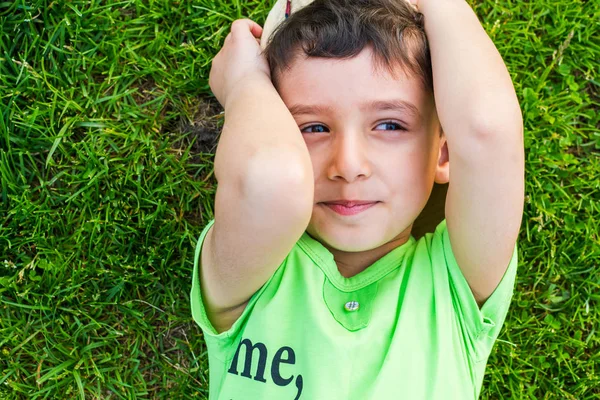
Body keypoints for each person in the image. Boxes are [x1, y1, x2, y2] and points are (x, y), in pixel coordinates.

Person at [191, 0, 525, 398]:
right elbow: (269, 180)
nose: (349, 165)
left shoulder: (453, 287)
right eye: (312, 127)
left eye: (389, 124)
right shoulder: (250, 275)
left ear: (443, 153)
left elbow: (487, 130)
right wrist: (245, 82)